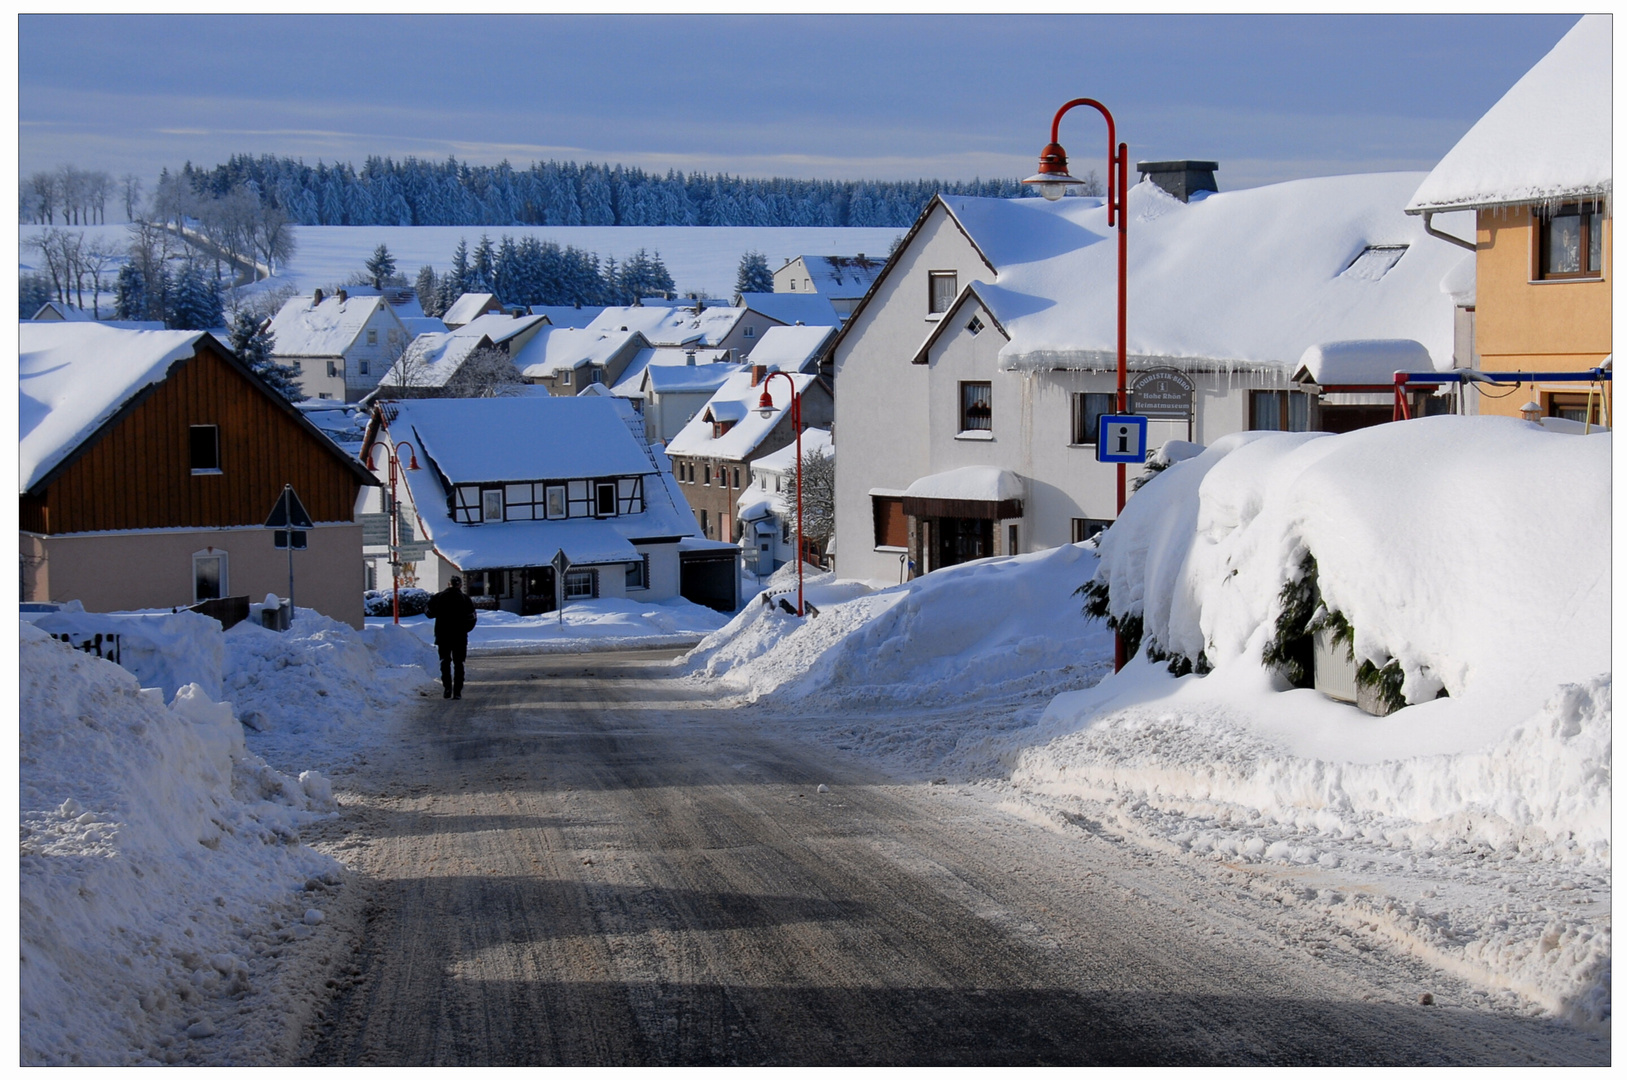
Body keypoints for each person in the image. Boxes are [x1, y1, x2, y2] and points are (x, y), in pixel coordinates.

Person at [426, 575, 477, 699]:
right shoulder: (465, 599)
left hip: (443, 635)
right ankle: (458, 691)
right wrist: (465, 629)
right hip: (459, 636)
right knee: (459, 663)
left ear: (449, 584)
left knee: (445, 661)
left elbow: (428, 612)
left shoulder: (438, 597)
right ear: (460, 585)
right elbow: (472, 618)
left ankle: (447, 688)